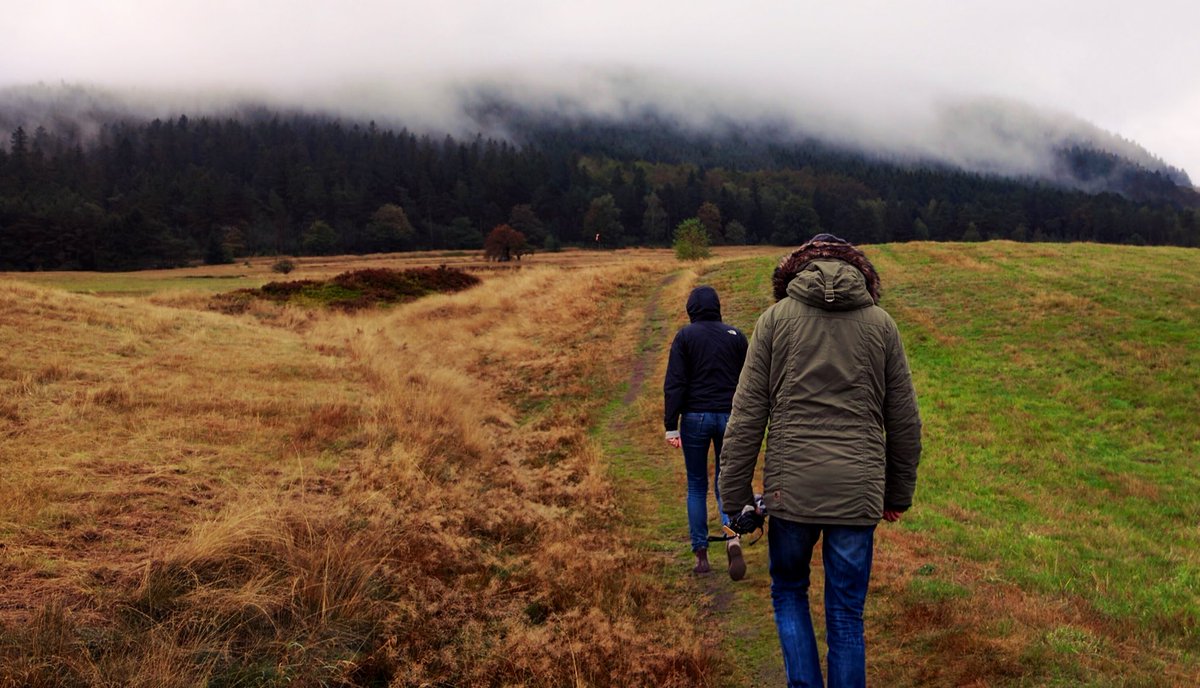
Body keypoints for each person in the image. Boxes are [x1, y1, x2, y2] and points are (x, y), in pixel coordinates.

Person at [718, 234, 922, 687]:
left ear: (795, 271)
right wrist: (897, 494)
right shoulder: (882, 325)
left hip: (791, 494)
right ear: (860, 272)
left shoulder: (774, 321)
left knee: (789, 591)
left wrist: (734, 500)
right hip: (858, 492)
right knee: (847, 614)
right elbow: (905, 421)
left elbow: (746, 416)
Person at [664, 285, 749, 578]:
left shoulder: (685, 337)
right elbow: (750, 380)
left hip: (695, 419)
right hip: (731, 417)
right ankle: (731, 537)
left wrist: (670, 426)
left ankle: (701, 554)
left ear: (691, 309)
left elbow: (675, 382)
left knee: (697, 486)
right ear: (717, 306)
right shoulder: (736, 336)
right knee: (726, 483)